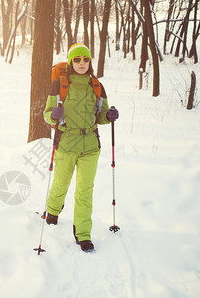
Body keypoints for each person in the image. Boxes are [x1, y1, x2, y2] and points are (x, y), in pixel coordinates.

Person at [43, 44, 119, 252]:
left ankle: (83, 234)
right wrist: (53, 116)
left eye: (85, 59)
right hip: (66, 144)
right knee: (60, 183)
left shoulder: (97, 86)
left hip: (90, 147)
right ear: (70, 62)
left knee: (84, 191)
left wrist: (109, 116)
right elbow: (47, 113)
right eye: (77, 60)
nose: (82, 64)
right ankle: (52, 211)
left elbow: (101, 115)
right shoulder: (59, 85)